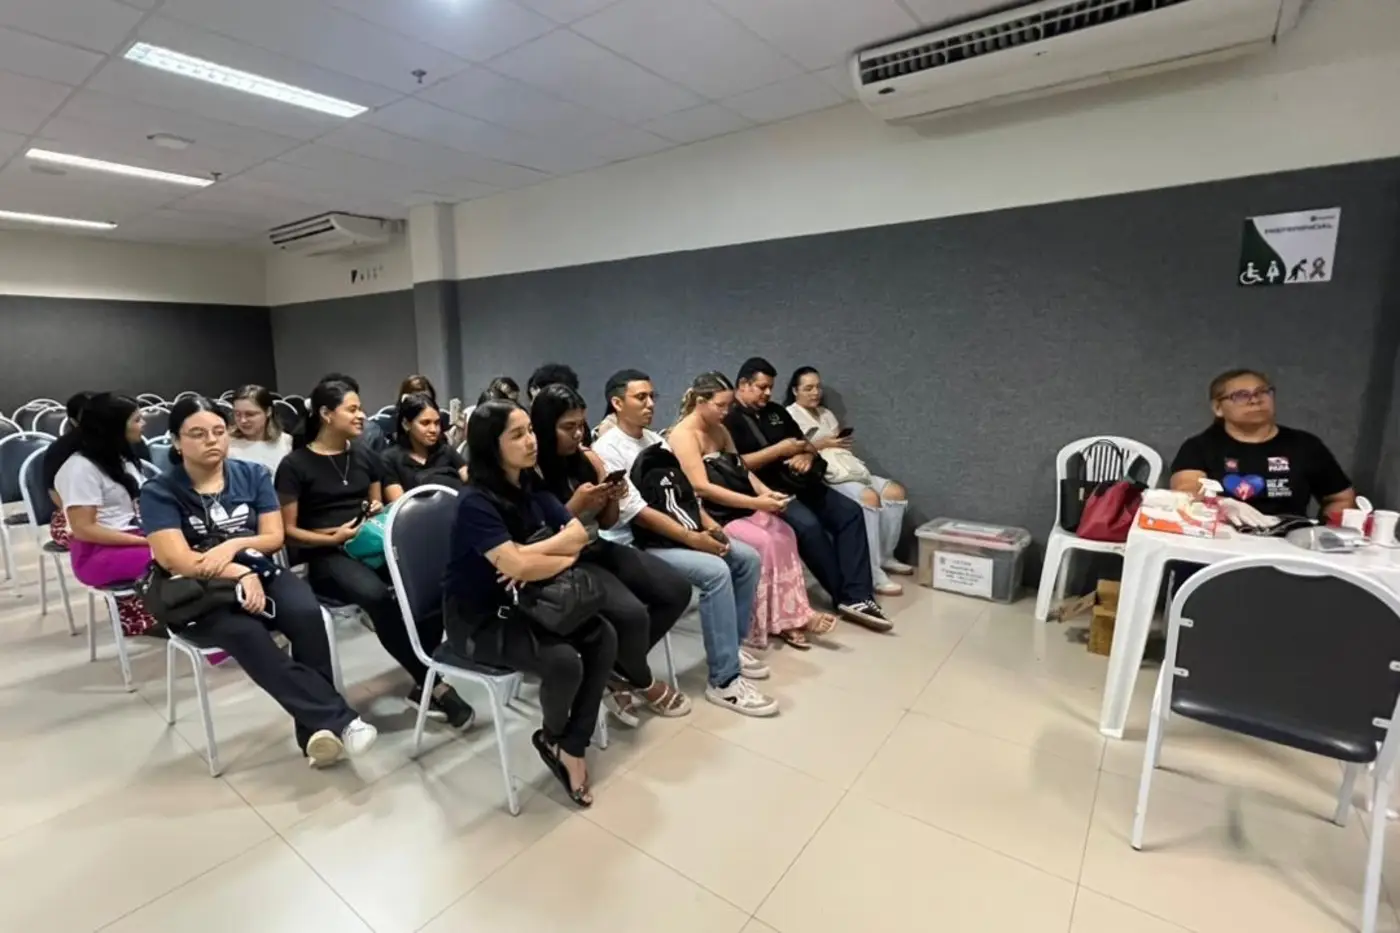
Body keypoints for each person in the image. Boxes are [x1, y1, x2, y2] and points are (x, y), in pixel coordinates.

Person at [141, 396, 377, 767]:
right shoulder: (160, 491)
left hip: (259, 570)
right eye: (198, 434)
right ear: (176, 441)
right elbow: (177, 559)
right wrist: (239, 572)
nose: (212, 440)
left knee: (306, 614)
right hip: (199, 589)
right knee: (247, 633)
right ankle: (340, 721)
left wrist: (234, 547)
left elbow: (273, 537)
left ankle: (316, 733)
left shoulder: (252, 474)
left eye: (219, 431)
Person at [442, 401, 616, 806]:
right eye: (517, 435)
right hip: (480, 619)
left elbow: (578, 535)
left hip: (531, 599)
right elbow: (520, 564)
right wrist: (535, 557)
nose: (531, 441)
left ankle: (568, 743)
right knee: (563, 661)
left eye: (531, 430)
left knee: (603, 635)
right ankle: (558, 738)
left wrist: (530, 556)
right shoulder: (474, 503)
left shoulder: (529, 484)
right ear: (491, 446)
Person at [276, 378, 476, 729]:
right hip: (326, 554)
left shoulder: (364, 455)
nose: (361, 415)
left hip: (369, 543)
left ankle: (424, 676)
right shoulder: (295, 465)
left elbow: (377, 505)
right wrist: (330, 536)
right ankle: (433, 681)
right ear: (326, 414)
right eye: (352, 409)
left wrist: (373, 511)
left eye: (360, 408)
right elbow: (286, 531)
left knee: (432, 581)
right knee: (378, 596)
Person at [593, 369, 778, 717]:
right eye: (640, 397)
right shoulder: (607, 450)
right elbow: (639, 513)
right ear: (617, 403)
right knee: (715, 572)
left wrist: (710, 527)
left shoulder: (655, 441)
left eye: (652, 396)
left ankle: (730, 645)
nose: (650, 404)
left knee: (746, 558)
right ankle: (724, 682)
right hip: (636, 542)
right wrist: (694, 539)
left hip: (674, 531)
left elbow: (684, 495)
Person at [532, 383, 692, 723]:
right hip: (563, 560)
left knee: (676, 590)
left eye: (581, 425)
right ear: (545, 427)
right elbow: (539, 537)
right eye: (568, 427)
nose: (578, 434)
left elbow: (607, 522)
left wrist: (611, 498)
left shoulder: (587, 459)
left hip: (595, 545)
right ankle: (641, 679)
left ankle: (614, 670)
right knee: (633, 615)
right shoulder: (532, 471)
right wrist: (575, 506)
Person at [671, 372, 839, 650]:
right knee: (764, 541)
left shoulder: (720, 430)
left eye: (728, 405)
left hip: (738, 502)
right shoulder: (683, 435)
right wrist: (756, 504)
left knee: (785, 532)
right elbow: (700, 487)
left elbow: (741, 469)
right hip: (711, 514)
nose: (726, 412)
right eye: (720, 406)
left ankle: (792, 615)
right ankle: (768, 622)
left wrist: (765, 493)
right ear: (700, 402)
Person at [726, 358, 892, 633]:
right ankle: (846, 597)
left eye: (770, 387)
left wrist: (805, 455)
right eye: (762, 387)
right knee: (809, 527)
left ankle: (859, 593)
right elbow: (734, 465)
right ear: (743, 384)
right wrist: (779, 451)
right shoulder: (729, 419)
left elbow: (806, 445)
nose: (768, 393)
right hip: (769, 490)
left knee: (851, 513)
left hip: (803, 482)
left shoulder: (776, 412)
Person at [784, 366, 913, 596]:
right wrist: (824, 443)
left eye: (818, 387)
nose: (815, 392)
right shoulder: (789, 415)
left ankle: (886, 556)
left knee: (895, 492)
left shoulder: (826, 413)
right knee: (869, 498)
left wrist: (838, 443)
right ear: (795, 391)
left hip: (847, 467)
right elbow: (795, 451)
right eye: (808, 388)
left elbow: (839, 446)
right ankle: (872, 571)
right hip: (824, 474)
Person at [1170, 368, 1357, 518]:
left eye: (1262, 392)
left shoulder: (1306, 446)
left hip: (1288, 542)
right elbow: (1186, 492)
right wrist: (1221, 506)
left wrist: (1327, 532)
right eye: (1241, 395)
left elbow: (1341, 498)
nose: (1255, 400)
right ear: (1218, 408)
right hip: (1220, 539)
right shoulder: (1199, 447)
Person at [52, 393, 157, 635]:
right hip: (97, 553)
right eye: (137, 419)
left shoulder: (121, 458)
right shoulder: (80, 469)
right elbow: (84, 529)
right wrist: (146, 541)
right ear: (114, 427)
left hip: (132, 536)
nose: (144, 424)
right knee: (177, 558)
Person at [382, 392, 469, 501]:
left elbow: (471, 482)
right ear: (406, 424)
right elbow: (399, 505)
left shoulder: (446, 450)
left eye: (437, 423)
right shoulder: (390, 460)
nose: (433, 430)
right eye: (425, 423)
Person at [41, 390, 96, 547]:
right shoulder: (60, 450)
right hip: (73, 513)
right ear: (73, 421)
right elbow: (53, 492)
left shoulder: (122, 443)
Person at [228, 384, 292, 475]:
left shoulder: (286, 442)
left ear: (268, 412)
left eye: (250, 414)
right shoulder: (227, 443)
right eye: (237, 414)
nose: (243, 420)